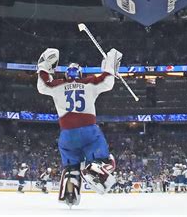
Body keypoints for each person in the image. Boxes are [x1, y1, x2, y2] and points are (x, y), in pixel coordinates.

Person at [36, 48, 122, 207]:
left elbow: (42, 86)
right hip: (89, 131)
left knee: (71, 166)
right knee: (105, 160)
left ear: (67, 74)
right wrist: (110, 65)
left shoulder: (58, 85)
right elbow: (108, 82)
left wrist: (43, 67)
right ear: (80, 74)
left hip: (67, 134)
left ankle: (70, 191)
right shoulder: (89, 82)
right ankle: (94, 169)